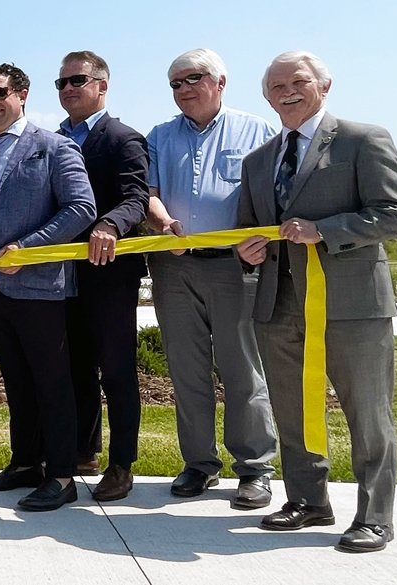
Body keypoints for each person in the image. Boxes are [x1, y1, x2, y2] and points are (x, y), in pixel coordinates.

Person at [236, 51, 397, 553]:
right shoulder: (257, 162)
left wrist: (326, 231)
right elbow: (252, 233)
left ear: (325, 85)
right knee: (293, 412)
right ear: (266, 96)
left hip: (353, 306)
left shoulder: (364, 140)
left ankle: (375, 516)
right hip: (279, 306)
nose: (287, 91)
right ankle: (307, 500)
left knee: (369, 414)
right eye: (276, 85)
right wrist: (248, 251)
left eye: (299, 81)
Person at [0, 63, 97, 511]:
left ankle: (61, 474)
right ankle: (25, 463)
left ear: (22, 94)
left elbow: (81, 208)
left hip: (39, 288)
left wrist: (27, 248)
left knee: (52, 383)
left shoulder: (54, 147)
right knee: (16, 381)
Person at [143, 48, 279, 508]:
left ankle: (255, 469)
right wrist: (162, 226)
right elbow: (150, 193)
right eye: (175, 84)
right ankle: (198, 465)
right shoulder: (159, 136)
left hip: (235, 267)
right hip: (174, 267)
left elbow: (275, 195)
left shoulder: (258, 130)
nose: (183, 89)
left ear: (220, 82)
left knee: (243, 371)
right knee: (187, 371)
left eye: (193, 79)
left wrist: (257, 238)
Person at [55, 50, 150, 501]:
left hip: (110, 272)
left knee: (115, 369)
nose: (69, 89)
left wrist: (109, 224)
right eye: (62, 83)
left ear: (102, 86)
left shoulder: (123, 139)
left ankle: (121, 463)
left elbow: (136, 197)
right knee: (75, 367)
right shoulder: (50, 141)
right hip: (62, 275)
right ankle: (83, 451)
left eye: (77, 80)